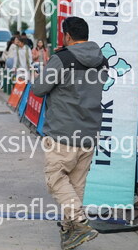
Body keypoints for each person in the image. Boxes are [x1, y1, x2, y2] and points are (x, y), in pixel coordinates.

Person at [31, 17, 108, 250]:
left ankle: (80, 223)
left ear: (67, 35)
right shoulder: (101, 60)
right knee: (75, 185)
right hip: (89, 132)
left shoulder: (62, 59)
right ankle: (69, 232)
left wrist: (51, 65)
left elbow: (39, 89)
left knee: (55, 179)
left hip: (63, 132)